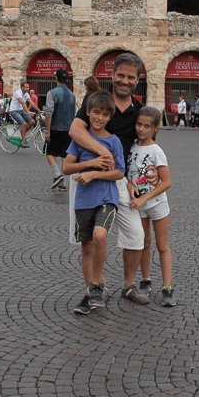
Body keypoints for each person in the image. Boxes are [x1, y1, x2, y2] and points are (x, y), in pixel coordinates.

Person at [67, 53, 155, 308]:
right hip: (87, 178)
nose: (125, 81)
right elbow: (75, 130)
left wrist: (150, 173)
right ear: (112, 75)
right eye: (121, 75)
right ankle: (97, 287)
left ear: (138, 80)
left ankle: (128, 285)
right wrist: (102, 154)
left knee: (136, 235)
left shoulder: (139, 110)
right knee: (89, 241)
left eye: (130, 77)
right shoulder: (97, 102)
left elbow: (145, 145)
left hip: (119, 179)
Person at [64, 91, 125, 315]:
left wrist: (94, 174)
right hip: (83, 201)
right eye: (96, 113)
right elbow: (67, 168)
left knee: (100, 235)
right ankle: (90, 291)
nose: (99, 118)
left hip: (106, 198)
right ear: (87, 112)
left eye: (105, 114)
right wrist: (91, 164)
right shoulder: (80, 140)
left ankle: (97, 285)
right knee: (87, 246)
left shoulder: (113, 141)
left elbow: (119, 173)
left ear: (110, 117)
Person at [127, 106, 175, 307]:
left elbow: (166, 182)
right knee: (144, 242)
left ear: (156, 128)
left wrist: (145, 198)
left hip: (156, 203)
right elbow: (128, 174)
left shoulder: (156, 151)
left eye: (147, 126)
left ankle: (167, 287)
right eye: (139, 124)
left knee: (162, 245)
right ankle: (145, 279)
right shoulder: (130, 146)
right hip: (139, 203)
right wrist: (129, 185)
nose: (141, 129)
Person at [44, 68, 76, 190]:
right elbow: (73, 113)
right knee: (64, 155)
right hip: (68, 129)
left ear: (56, 78)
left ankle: (58, 175)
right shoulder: (72, 95)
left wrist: (48, 131)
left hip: (56, 128)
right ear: (67, 79)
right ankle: (63, 183)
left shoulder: (52, 93)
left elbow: (49, 112)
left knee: (50, 153)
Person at [8, 82, 39, 147]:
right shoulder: (18, 93)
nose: (28, 88)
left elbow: (32, 103)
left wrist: (39, 110)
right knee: (24, 124)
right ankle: (23, 141)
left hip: (21, 110)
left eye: (28, 87)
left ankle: (22, 134)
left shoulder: (26, 94)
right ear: (22, 88)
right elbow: (23, 103)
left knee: (32, 122)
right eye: (26, 87)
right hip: (14, 111)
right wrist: (28, 112)